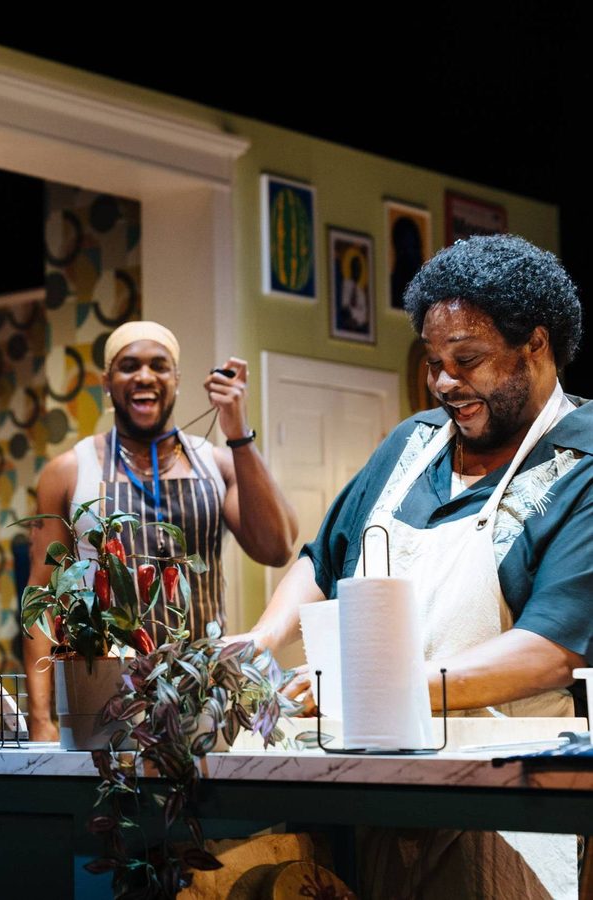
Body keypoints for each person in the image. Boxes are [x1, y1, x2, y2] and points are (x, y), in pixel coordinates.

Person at [237, 234, 589, 900]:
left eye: (468, 360)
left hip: (502, 804)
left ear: (536, 345)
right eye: (434, 362)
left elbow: (552, 649)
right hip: (370, 791)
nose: (444, 383)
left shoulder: (583, 463)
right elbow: (322, 559)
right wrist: (259, 641)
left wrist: (379, 689)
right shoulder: (413, 444)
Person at [23, 320, 298, 740]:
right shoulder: (68, 472)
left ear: (177, 380)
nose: (145, 376)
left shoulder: (217, 463)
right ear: (107, 382)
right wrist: (41, 718)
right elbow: (42, 598)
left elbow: (277, 549)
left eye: (159, 366)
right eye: (129, 366)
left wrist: (238, 433)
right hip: (100, 696)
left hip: (204, 690)